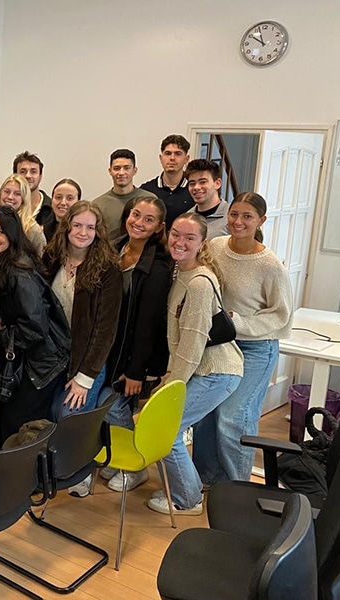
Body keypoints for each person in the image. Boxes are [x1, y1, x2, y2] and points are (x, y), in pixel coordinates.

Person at [71, 196, 172, 497]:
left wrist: (135, 371)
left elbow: (147, 325)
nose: (139, 223)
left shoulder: (157, 268)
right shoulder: (115, 249)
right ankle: (115, 455)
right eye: (135, 215)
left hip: (133, 356)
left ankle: (137, 466)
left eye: (148, 219)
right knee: (107, 407)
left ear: (158, 227)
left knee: (111, 405)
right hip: (111, 349)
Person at [194, 192, 292, 484]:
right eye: (234, 214)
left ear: (260, 221)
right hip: (219, 343)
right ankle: (205, 479)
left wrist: (237, 324)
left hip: (255, 349)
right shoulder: (215, 246)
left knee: (233, 416)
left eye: (247, 216)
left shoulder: (270, 265)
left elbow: (281, 316)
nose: (238, 221)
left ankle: (236, 486)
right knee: (206, 413)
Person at [149, 212, 243, 516]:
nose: (180, 242)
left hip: (215, 371)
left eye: (189, 238)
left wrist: (172, 385)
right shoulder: (180, 273)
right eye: (176, 234)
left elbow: (192, 342)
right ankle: (187, 488)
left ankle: (188, 499)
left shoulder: (199, 283)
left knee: (167, 430)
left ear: (202, 243)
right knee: (170, 429)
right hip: (200, 369)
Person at [0, 206, 71, 444]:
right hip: (29, 358)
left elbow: (34, 327)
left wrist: (1, 334)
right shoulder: (4, 262)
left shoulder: (19, 274)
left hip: (41, 364)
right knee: (7, 421)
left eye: (0, 232)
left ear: (12, 234)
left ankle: (22, 477)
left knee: (19, 425)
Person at [41, 202, 121, 422]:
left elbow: (105, 330)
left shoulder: (108, 269)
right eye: (77, 225)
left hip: (86, 359)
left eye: (90, 227)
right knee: (40, 413)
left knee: (67, 415)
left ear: (98, 231)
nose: (83, 233)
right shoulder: (52, 257)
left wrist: (84, 379)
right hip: (53, 356)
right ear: (67, 226)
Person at [92, 149, 156, 240]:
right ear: (110, 171)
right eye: (117, 168)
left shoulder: (150, 200)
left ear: (135, 170)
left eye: (127, 168)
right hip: (109, 253)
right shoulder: (98, 205)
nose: (121, 173)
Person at [140, 134, 194, 228]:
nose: (172, 158)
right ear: (161, 158)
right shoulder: (146, 190)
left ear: (186, 159)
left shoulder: (194, 190)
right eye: (168, 153)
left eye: (178, 154)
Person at [0, 174, 47, 256]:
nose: (10, 197)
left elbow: (41, 259)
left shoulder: (32, 229)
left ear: (24, 198)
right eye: (7, 192)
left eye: (17, 194)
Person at [185, 159, 229, 240]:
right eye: (192, 183)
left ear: (217, 183)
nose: (196, 187)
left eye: (202, 182)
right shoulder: (187, 218)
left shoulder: (231, 218)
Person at [12, 151, 53, 226]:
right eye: (23, 171)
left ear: (40, 177)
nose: (28, 176)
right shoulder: (9, 206)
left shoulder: (52, 209)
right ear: (15, 176)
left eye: (33, 171)